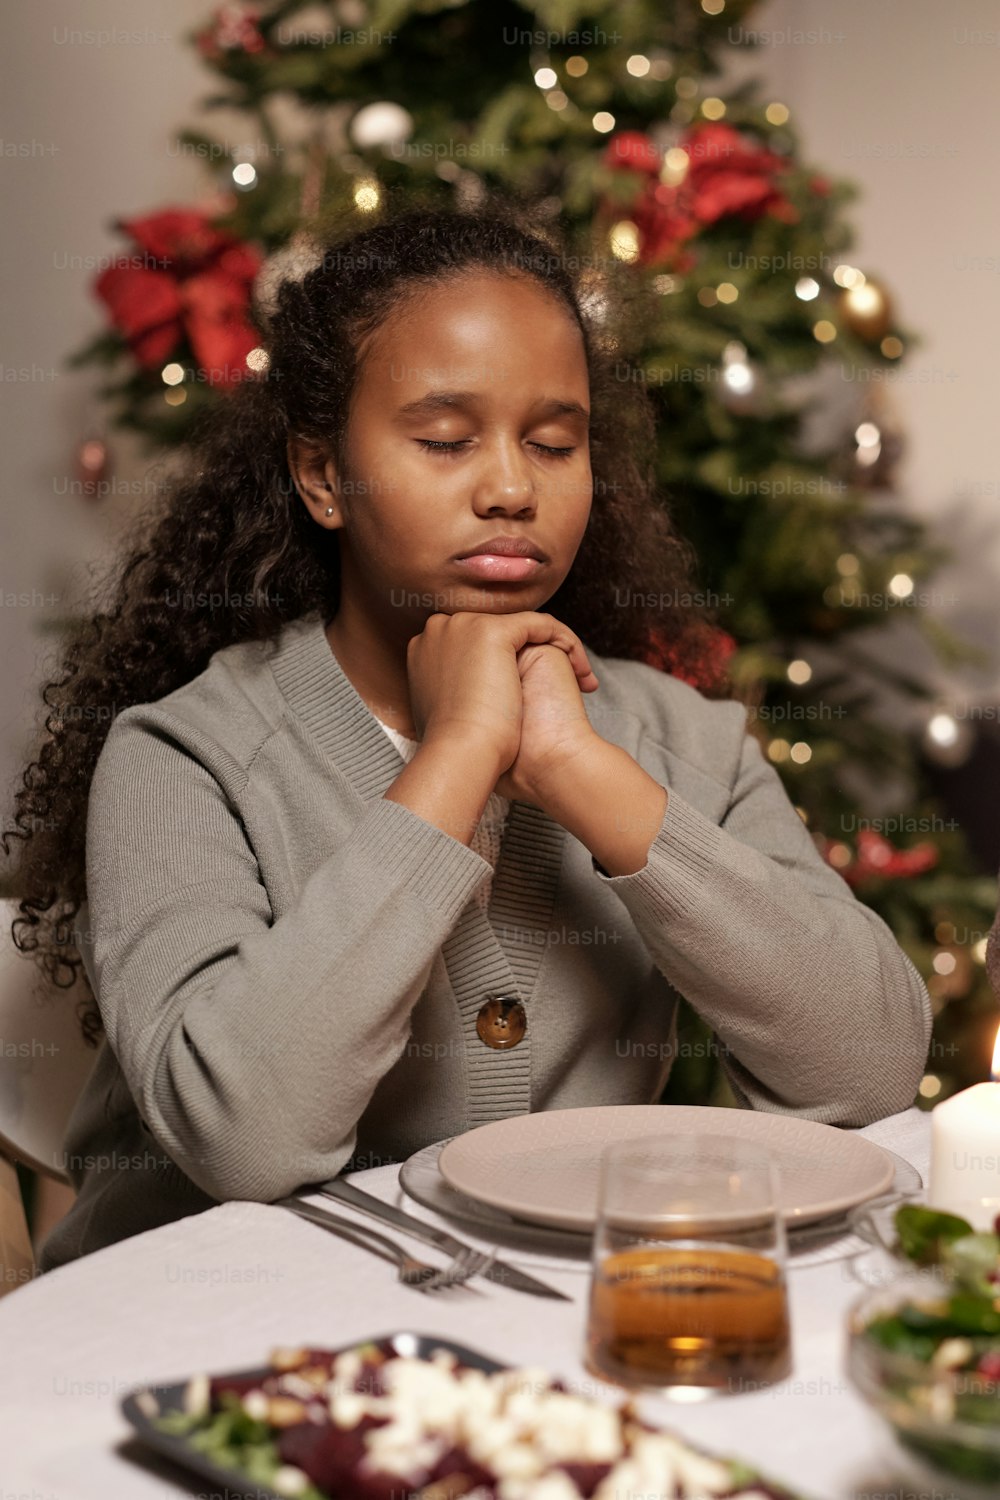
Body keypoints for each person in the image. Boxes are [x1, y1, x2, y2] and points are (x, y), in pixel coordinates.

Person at [3, 200, 932, 1271]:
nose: (508, 489)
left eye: (554, 443)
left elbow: (865, 1067)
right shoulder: (184, 757)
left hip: (532, 1347)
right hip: (195, 1351)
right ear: (321, 476)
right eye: (444, 440)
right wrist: (455, 761)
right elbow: (247, 1137)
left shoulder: (683, 738)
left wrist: (579, 772)